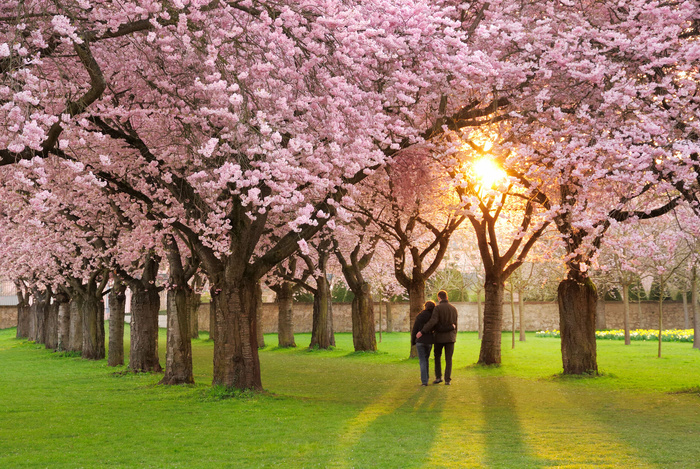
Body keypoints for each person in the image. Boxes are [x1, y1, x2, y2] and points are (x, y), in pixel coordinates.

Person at [417, 290, 458, 385]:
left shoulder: (438, 308)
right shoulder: (453, 309)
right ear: (447, 297)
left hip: (439, 337)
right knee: (448, 359)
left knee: (437, 357)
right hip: (450, 338)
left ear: (439, 298)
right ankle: (447, 380)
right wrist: (453, 333)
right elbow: (455, 324)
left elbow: (433, 321)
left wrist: (423, 331)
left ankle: (438, 377)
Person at [411, 301, 436, 386]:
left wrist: (413, 341)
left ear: (425, 306)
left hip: (420, 340)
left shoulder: (420, 316)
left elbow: (415, 329)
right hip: (429, 340)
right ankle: (426, 378)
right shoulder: (433, 317)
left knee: (422, 361)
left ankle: (424, 381)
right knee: (426, 359)